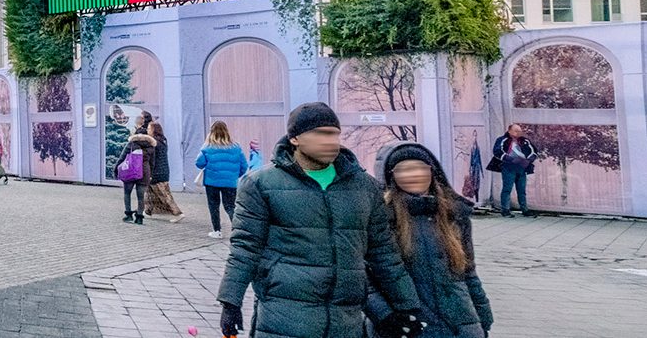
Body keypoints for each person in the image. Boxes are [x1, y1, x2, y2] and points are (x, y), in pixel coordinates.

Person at [217, 102, 424, 338]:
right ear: (295, 139)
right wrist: (230, 302)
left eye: (335, 134)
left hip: (345, 320)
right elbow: (245, 248)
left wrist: (408, 305)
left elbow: (383, 252)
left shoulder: (364, 186)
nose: (330, 141)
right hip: (284, 316)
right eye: (321, 134)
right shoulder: (260, 184)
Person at [367, 143, 493, 338]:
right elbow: (365, 278)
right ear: (392, 175)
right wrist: (384, 316)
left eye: (420, 168)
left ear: (432, 172)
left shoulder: (454, 215)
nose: (414, 174)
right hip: (407, 326)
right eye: (404, 170)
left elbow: (468, 273)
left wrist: (483, 316)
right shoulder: (380, 218)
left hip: (460, 324)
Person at [194, 120, 247, 239]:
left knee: (213, 206)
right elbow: (244, 166)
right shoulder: (236, 147)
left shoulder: (208, 147)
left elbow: (199, 163)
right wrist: (234, 175)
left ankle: (217, 231)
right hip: (230, 183)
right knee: (230, 206)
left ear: (211, 132)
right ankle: (238, 231)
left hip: (212, 182)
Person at [489, 124, 537, 218]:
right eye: (516, 130)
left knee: (521, 190)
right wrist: (511, 159)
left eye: (519, 131)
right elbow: (498, 151)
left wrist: (529, 160)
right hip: (508, 168)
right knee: (507, 189)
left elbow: (533, 151)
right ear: (509, 131)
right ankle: (505, 210)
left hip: (522, 168)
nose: (518, 133)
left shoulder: (524, 141)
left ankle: (525, 209)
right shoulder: (502, 140)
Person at [143, 121, 185, 223]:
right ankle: (147, 211)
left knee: (164, 194)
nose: (147, 130)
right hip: (162, 171)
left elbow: (152, 158)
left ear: (154, 130)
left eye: (149, 128)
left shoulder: (154, 142)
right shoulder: (162, 141)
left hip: (157, 172)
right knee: (149, 192)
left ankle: (178, 213)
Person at [116, 128, 156, 225]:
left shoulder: (131, 144)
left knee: (127, 193)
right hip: (144, 172)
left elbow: (122, 157)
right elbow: (152, 163)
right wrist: (151, 174)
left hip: (130, 170)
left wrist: (116, 169)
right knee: (141, 196)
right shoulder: (151, 146)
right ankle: (139, 218)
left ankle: (129, 215)